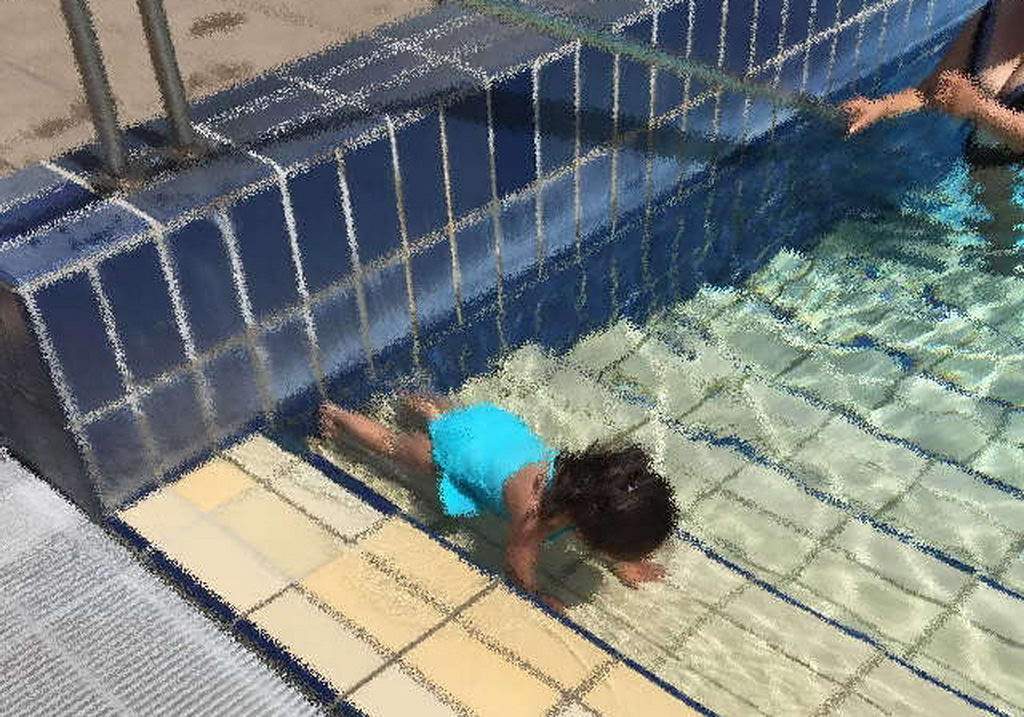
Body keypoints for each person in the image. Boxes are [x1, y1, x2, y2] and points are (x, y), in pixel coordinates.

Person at [319, 396, 679, 613]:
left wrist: (622, 560)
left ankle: (419, 404)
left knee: (448, 417)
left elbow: (604, 509)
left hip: (494, 428)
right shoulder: (533, 516)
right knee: (395, 446)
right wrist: (534, 594)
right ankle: (336, 415)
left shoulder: (579, 481)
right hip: (461, 454)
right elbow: (517, 559)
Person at [841, 0, 1024, 275]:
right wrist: (879, 108)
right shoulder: (991, 15)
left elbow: (973, 104)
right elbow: (931, 91)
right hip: (990, 172)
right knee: (1000, 264)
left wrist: (978, 107)